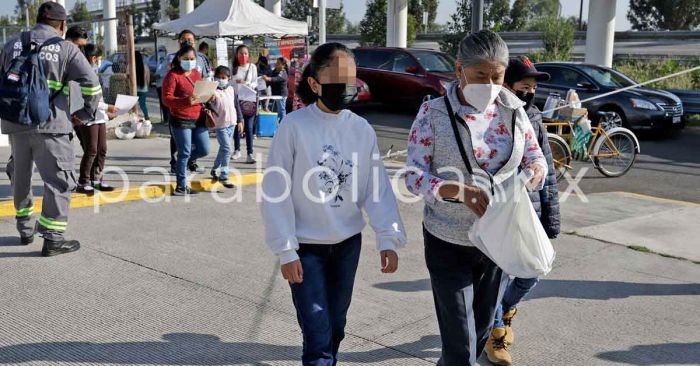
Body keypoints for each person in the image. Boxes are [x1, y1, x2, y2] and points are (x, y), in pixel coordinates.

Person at [404, 30, 548, 366]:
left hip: (496, 240)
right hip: (447, 239)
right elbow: (412, 176)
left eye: (496, 76)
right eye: (480, 75)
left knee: (481, 332)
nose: (490, 83)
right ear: (459, 70)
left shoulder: (514, 111)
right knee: (460, 345)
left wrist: (533, 175)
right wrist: (456, 190)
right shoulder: (433, 114)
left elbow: (535, 156)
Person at [261, 42, 406, 366]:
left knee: (336, 324)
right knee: (316, 330)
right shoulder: (294, 127)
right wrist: (285, 250)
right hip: (305, 246)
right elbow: (276, 191)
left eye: (351, 81)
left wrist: (388, 237)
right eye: (338, 81)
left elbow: (376, 187)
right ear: (315, 83)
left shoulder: (360, 129)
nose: (346, 89)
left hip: (346, 245)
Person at [0, 1, 101, 256]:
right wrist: (84, 114)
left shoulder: (12, 43)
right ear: (63, 25)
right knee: (58, 181)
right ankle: (53, 238)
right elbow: (91, 84)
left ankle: (25, 229)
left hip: (16, 124)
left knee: (20, 177)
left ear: (37, 19)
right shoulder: (65, 48)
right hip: (51, 125)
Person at [483, 56, 561, 366]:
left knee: (534, 269)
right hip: (501, 211)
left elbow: (549, 169)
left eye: (533, 87)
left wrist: (551, 214)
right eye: (524, 86)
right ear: (506, 86)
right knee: (501, 273)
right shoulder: (492, 118)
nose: (530, 92)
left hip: (531, 209)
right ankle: (495, 332)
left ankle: (504, 309)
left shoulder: (535, 117)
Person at [156, 29, 211, 174]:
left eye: (190, 39)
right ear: (179, 41)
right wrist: (184, 100)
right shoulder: (171, 59)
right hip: (179, 111)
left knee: (199, 145)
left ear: (195, 41)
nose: (188, 41)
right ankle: (178, 165)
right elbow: (168, 88)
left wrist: (209, 93)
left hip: (197, 111)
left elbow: (205, 78)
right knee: (180, 143)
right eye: (184, 39)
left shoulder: (202, 59)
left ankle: (190, 162)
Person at [162, 45, 211, 196]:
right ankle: (181, 186)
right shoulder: (173, 76)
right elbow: (166, 99)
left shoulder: (196, 73)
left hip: (198, 117)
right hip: (180, 119)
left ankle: (185, 159)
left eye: (192, 59)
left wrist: (209, 95)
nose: (189, 61)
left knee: (204, 149)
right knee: (184, 152)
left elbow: (201, 92)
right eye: (186, 59)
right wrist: (185, 101)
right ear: (179, 58)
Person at [75, 44, 118, 194]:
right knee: (91, 150)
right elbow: (89, 100)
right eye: (99, 58)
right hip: (88, 117)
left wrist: (106, 112)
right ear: (93, 58)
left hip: (98, 116)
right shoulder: (82, 74)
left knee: (102, 149)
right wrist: (107, 108)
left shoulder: (93, 71)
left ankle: (97, 178)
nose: (100, 61)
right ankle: (83, 181)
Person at [209, 65, 244, 189]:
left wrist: (240, 120)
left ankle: (214, 169)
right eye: (218, 77)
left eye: (223, 77)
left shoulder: (231, 89)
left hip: (232, 124)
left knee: (224, 149)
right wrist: (209, 100)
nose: (220, 80)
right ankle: (224, 175)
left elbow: (236, 105)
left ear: (229, 78)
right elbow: (208, 105)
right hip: (220, 125)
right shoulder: (213, 91)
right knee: (227, 149)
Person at [231, 44, 257, 164]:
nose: (243, 55)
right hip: (236, 99)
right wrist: (235, 82)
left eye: (246, 53)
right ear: (237, 55)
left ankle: (250, 153)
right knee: (237, 125)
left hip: (249, 98)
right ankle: (237, 150)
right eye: (241, 53)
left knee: (249, 126)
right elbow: (229, 82)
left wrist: (247, 84)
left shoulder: (252, 67)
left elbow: (256, 82)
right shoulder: (233, 67)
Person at [263, 57, 289, 123]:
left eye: (278, 63)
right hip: (275, 95)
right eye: (276, 62)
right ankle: (276, 125)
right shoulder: (274, 71)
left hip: (281, 95)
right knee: (276, 111)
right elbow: (270, 79)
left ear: (283, 65)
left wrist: (268, 79)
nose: (276, 64)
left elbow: (276, 79)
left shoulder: (283, 72)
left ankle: (284, 124)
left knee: (281, 111)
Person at [134, 50, 150, 121]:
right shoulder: (145, 66)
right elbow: (148, 79)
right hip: (143, 88)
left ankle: (134, 118)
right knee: (143, 104)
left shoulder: (130, 67)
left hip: (134, 89)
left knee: (133, 105)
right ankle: (147, 117)